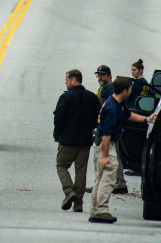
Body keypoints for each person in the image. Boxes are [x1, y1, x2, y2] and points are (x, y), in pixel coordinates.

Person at [89, 77, 157, 224]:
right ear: (125, 91)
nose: (131, 91)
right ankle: (101, 210)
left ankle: (94, 210)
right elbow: (106, 134)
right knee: (108, 179)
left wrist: (146, 119)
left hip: (105, 143)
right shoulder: (112, 108)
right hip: (106, 144)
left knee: (100, 179)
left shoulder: (118, 103)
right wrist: (105, 156)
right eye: (130, 89)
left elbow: (128, 115)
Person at [53, 69, 101, 213]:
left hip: (67, 140)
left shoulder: (66, 97)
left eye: (67, 80)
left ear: (74, 81)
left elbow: (58, 117)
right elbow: (97, 117)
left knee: (61, 165)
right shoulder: (92, 98)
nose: (65, 82)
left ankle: (69, 191)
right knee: (81, 172)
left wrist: (58, 133)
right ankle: (78, 204)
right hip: (85, 141)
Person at [93, 64, 127, 194]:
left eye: (103, 74)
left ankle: (117, 184)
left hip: (109, 129)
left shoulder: (110, 90)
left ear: (109, 76)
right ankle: (117, 183)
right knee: (111, 157)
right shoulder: (104, 88)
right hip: (105, 127)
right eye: (99, 75)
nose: (100, 77)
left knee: (110, 157)